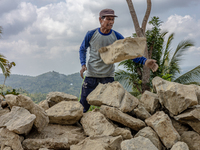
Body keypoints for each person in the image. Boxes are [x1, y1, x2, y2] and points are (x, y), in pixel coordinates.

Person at [79, 8, 158, 113]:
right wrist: (83, 64)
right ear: (100, 19)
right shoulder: (91, 34)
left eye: (112, 19)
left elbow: (129, 52)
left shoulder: (116, 36)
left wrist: (145, 61)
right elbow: (82, 49)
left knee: (110, 106)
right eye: (108, 19)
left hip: (107, 77)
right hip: (91, 75)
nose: (111, 22)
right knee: (83, 105)